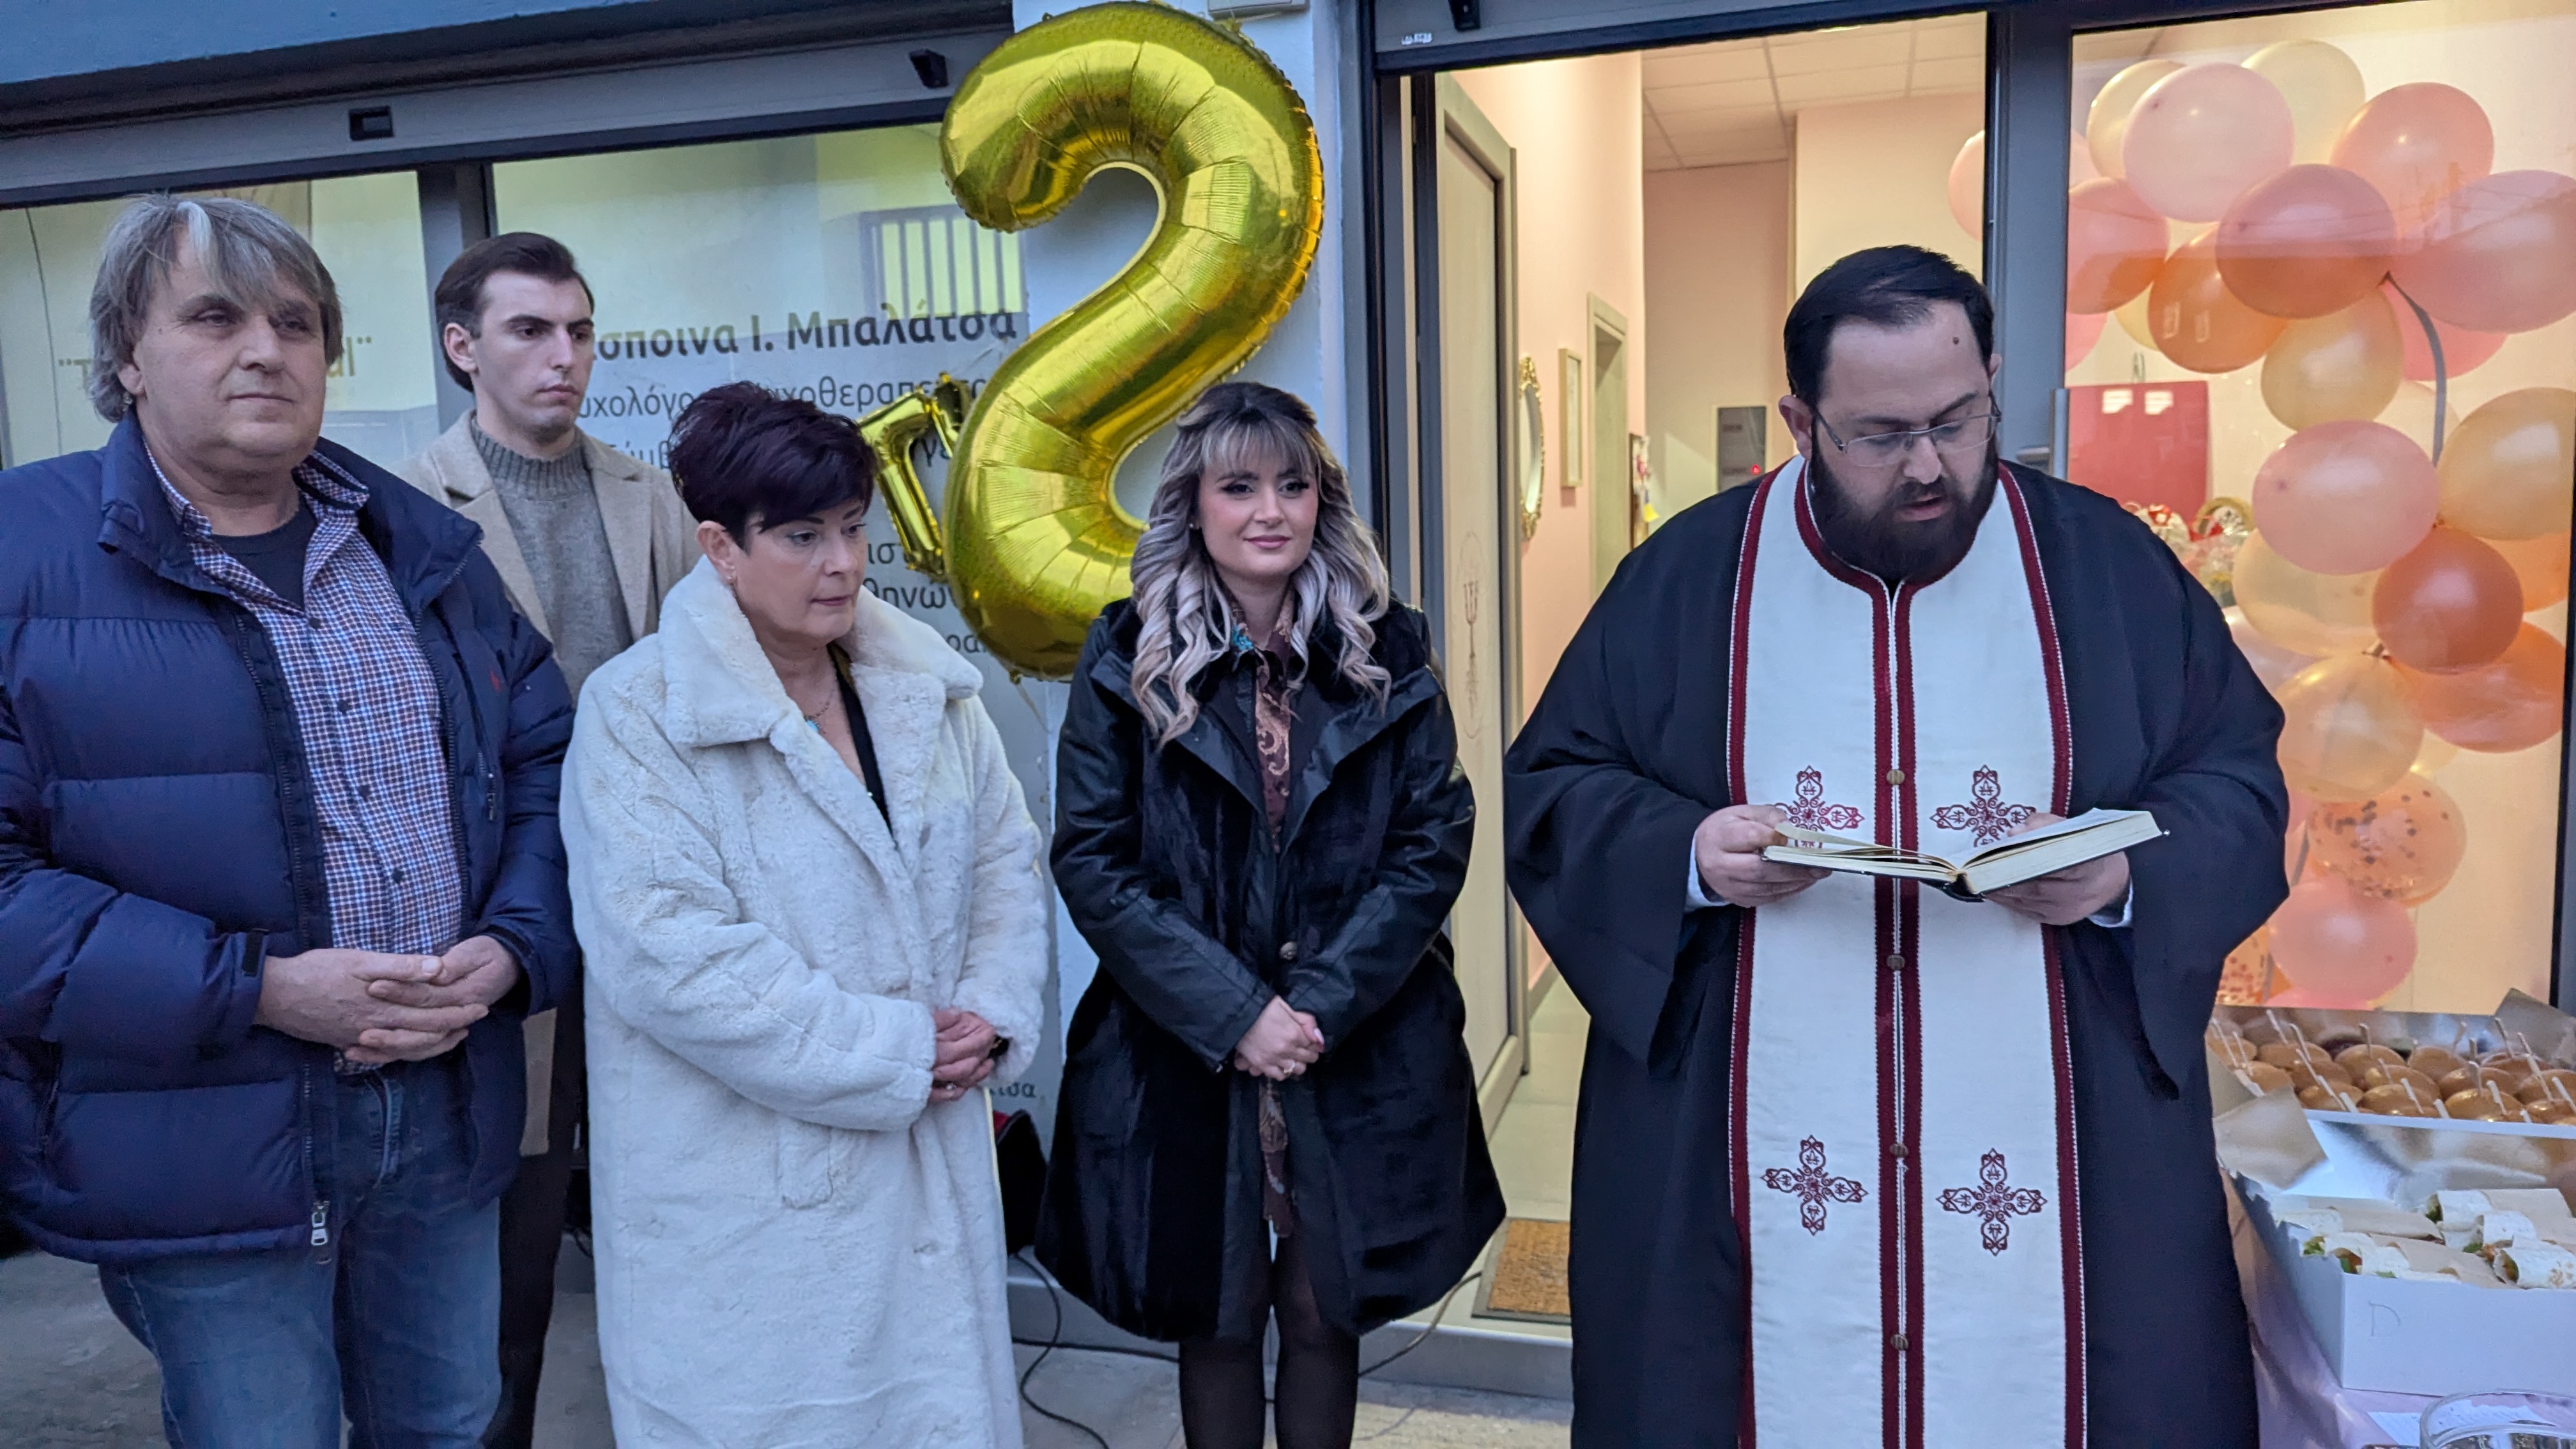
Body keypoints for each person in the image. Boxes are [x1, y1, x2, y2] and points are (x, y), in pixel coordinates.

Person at [1503, 246, 2285, 1448]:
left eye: (1958, 421)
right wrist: (1692, 855)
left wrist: (2126, 875)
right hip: (1748, 1121)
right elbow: (1554, 790)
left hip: (2060, 1115)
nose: (1929, 465)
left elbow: (2236, 781)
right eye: (1879, 434)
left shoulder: (2109, 569)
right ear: (1799, 422)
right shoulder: (1688, 579)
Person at [0, 195, 574, 1446]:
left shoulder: (415, 545)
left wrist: (518, 944)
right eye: (216, 318)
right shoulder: (21, 554)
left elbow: (545, 761)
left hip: (443, 1101)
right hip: (201, 1131)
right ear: (126, 355)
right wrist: (259, 989)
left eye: (297, 323)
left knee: (451, 1423)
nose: (267, 350)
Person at [560, 382, 1048, 1445]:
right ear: (720, 548)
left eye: (852, 528)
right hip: (749, 1203)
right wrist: (894, 1050)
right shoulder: (640, 713)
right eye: (800, 536)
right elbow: (669, 955)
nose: (842, 563)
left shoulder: (925, 688)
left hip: (930, 1171)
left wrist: (988, 1010)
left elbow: (1005, 861)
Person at [1040, 382, 1504, 1449]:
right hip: (1185, 1045)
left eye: (1293, 486)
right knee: (1218, 1309)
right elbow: (1095, 860)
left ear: (1321, 502)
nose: (1269, 512)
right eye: (1239, 487)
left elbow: (1433, 839)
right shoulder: (1124, 655)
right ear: (1193, 504)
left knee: (1321, 1306)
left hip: (1355, 1035)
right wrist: (1237, 1013)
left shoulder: (1387, 650)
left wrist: (1317, 1008)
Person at [397, 230, 696, 1446]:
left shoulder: (648, 494)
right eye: (530, 330)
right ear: (463, 348)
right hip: (500, 920)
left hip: (648, 904)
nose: (563, 355)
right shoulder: (400, 508)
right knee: (508, 1272)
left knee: (668, 1225)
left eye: (579, 330)